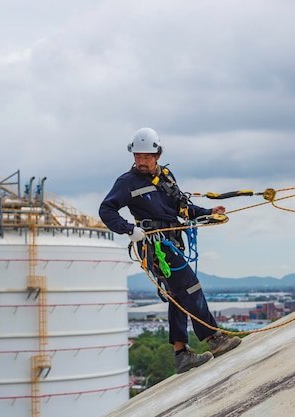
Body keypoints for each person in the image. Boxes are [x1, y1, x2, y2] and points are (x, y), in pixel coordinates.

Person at [99, 127, 241, 374]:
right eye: (137, 156)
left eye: (146, 156)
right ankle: (213, 339)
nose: (141, 161)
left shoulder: (166, 177)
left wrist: (209, 213)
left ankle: (181, 353)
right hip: (154, 245)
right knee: (191, 287)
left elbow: (183, 207)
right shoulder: (127, 182)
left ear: (157, 155)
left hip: (171, 240)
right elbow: (106, 210)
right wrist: (129, 229)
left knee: (178, 295)